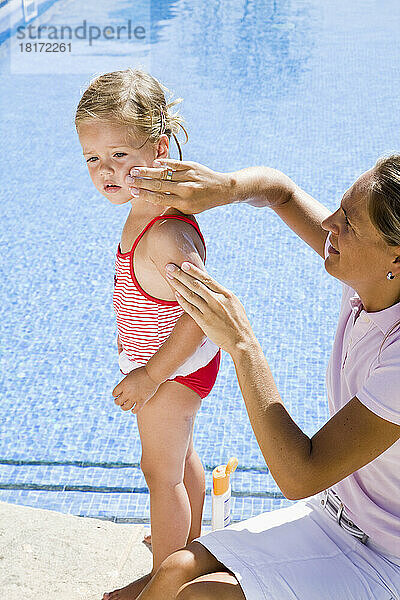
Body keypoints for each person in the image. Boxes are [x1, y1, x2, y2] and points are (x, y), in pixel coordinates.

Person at [116, 156, 400, 599]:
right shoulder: (371, 282)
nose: (329, 223)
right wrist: (223, 188)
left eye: (349, 223)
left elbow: (300, 475)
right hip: (336, 515)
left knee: (202, 595)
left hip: (388, 559)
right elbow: (280, 191)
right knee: (173, 571)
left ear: (395, 258)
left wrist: (242, 344)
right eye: (340, 208)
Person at [74, 68, 221, 600]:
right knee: (180, 462)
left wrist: (150, 375)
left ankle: (166, 582)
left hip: (172, 368)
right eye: (93, 158)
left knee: (160, 473)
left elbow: (204, 313)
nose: (105, 170)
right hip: (170, 364)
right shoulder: (145, 209)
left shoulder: (165, 233)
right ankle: (192, 547)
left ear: (159, 147)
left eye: (120, 155)